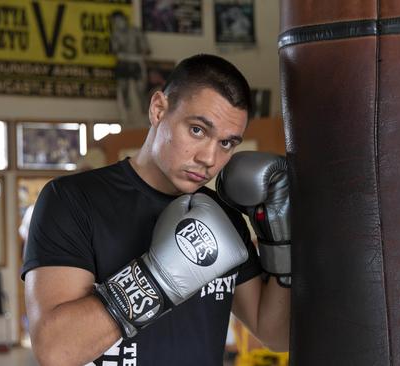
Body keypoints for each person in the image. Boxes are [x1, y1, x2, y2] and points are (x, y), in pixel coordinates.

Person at [22, 54, 291, 366]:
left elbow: (275, 334)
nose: (209, 158)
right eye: (198, 130)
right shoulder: (71, 200)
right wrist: (158, 278)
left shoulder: (224, 215)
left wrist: (281, 243)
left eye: (227, 144)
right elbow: (55, 351)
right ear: (158, 109)